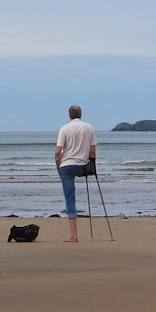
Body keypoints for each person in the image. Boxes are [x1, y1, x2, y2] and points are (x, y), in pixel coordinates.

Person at [55, 104, 96, 242]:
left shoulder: (64, 129)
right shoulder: (89, 127)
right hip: (83, 166)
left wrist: (58, 166)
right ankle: (74, 235)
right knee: (86, 167)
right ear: (81, 114)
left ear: (69, 115)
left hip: (66, 167)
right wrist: (93, 168)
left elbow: (57, 152)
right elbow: (92, 152)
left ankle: (74, 235)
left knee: (70, 198)